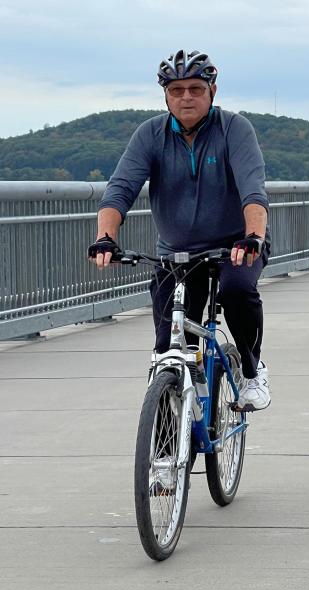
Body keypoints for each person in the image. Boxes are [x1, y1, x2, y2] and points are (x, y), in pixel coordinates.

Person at [89, 49, 272, 412]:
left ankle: (252, 371)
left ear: (212, 92)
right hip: (176, 253)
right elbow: (121, 189)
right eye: (176, 90)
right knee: (168, 351)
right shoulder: (150, 135)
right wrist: (105, 237)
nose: (185, 96)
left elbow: (253, 188)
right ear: (166, 96)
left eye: (194, 88)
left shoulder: (234, 128)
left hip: (235, 246)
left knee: (237, 291)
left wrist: (253, 236)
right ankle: (167, 450)